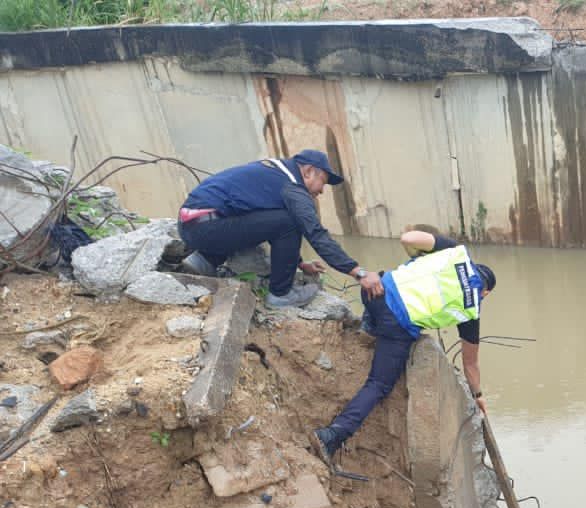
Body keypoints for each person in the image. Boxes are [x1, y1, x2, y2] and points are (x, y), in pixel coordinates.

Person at [311, 228, 496, 467]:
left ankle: (369, 327)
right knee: (378, 384)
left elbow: (407, 238)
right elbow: (470, 364)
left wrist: (418, 256)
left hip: (374, 290)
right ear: (486, 291)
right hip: (394, 325)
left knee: (385, 310)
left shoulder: (453, 253)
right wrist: (478, 395)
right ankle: (332, 436)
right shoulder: (471, 311)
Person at [177, 149, 381, 309]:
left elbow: (261, 222)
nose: (321, 191)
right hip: (207, 228)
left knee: (262, 215)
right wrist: (359, 272)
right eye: (323, 183)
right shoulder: (294, 188)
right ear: (309, 171)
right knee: (291, 220)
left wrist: (299, 263)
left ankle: (204, 261)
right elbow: (316, 234)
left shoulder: (273, 170)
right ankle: (281, 294)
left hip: (190, 225)